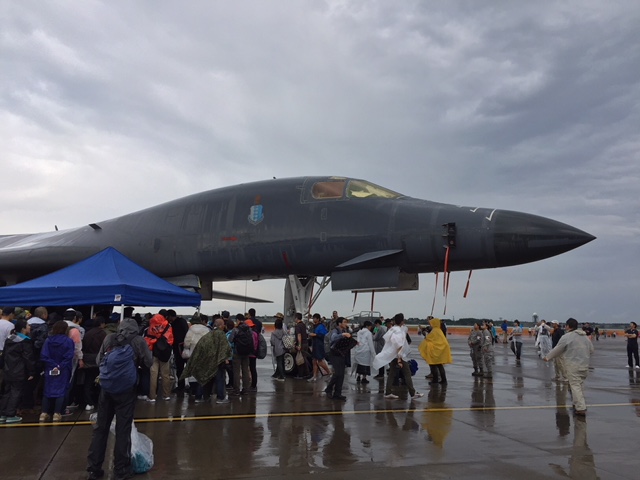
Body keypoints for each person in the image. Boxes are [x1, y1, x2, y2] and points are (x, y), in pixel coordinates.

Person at [86, 317, 153, 480]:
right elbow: (149, 362)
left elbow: (98, 360)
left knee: (101, 428)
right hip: (126, 390)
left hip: (107, 388)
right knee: (123, 429)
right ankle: (121, 469)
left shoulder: (110, 338)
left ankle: (94, 469)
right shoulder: (139, 341)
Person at [544, 318, 594, 416]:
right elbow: (591, 350)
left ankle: (580, 408)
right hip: (584, 365)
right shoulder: (584, 337)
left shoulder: (567, 337)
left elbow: (558, 348)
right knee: (579, 385)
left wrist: (548, 357)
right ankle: (578, 404)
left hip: (573, 365)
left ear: (567, 326)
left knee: (575, 386)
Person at [180, 318, 232, 404]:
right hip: (217, 360)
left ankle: (200, 397)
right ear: (220, 325)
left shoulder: (209, 333)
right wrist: (225, 359)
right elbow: (224, 348)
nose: (224, 326)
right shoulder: (221, 334)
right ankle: (220, 398)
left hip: (207, 359)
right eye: (223, 325)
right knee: (220, 379)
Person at [373, 313, 423, 400]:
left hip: (393, 355)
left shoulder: (392, 329)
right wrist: (399, 358)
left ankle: (388, 392)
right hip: (399, 356)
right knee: (407, 374)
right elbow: (398, 344)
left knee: (392, 374)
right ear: (402, 321)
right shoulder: (399, 331)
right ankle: (412, 393)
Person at [0, 319, 35, 424]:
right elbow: (28, 358)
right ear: (23, 328)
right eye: (28, 325)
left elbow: (4, 356)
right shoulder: (25, 341)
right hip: (19, 371)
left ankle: (2, 414)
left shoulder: (9, 339)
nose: (30, 327)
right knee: (16, 392)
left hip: (7, 370)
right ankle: (10, 414)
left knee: (7, 392)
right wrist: (32, 372)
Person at [39, 320, 75, 423]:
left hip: (50, 368)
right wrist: (59, 366)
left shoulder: (48, 340)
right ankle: (57, 413)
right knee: (61, 391)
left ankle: (44, 413)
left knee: (47, 390)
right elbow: (69, 356)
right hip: (63, 369)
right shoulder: (68, 341)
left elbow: (44, 355)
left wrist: (53, 365)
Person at [144, 311, 174, 402]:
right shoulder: (167, 325)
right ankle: (166, 395)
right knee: (165, 374)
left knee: (153, 374)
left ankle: (152, 396)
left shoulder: (151, 324)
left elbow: (147, 338)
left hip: (153, 351)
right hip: (164, 351)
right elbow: (170, 339)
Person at [324, 317, 356, 401]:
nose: (346, 324)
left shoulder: (345, 331)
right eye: (344, 322)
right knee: (338, 373)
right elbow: (333, 338)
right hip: (334, 354)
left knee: (341, 374)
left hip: (342, 354)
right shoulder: (336, 331)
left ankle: (338, 393)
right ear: (339, 324)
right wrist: (343, 335)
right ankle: (329, 388)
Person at [82, 314, 107, 411]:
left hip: (87, 360)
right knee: (101, 382)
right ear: (101, 324)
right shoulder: (103, 334)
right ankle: (101, 401)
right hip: (99, 359)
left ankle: (89, 402)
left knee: (88, 382)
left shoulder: (87, 333)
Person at [419, 317, 452, 385]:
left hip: (434, 352)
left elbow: (428, 338)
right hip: (439, 351)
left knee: (433, 365)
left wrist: (425, 333)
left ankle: (435, 380)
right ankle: (444, 380)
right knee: (440, 366)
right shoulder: (439, 331)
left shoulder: (434, 331)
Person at [167, 309, 189, 393]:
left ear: (170, 316)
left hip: (181, 347)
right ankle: (183, 385)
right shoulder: (181, 321)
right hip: (179, 347)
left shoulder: (177, 323)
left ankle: (183, 386)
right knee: (181, 367)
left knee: (181, 367)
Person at [308, 313, 330, 382]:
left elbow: (325, 334)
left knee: (319, 361)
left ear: (318, 319)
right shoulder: (314, 326)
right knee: (314, 361)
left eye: (315, 318)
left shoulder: (321, 326)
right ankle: (314, 376)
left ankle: (329, 372)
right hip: (315, 344)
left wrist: (316, 334)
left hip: (319, 344)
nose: (313, 319)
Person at [294, 312, 311, 379]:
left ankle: (304, 374)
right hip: (305, 343)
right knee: (304, 358)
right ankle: (305, 373)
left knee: (301, 359)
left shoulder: (298, 326)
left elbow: (299, 335)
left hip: (302, 344)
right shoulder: (303, 325)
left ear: (296, 318)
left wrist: (299, 344)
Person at [270, 316, 286, 381]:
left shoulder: (273, 333)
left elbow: (272, 341)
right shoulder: (283, 332)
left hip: (277, 349)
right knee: (282, 362)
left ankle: (282, 376)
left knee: (279, 362)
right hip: (283, 348)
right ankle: (277, 374)